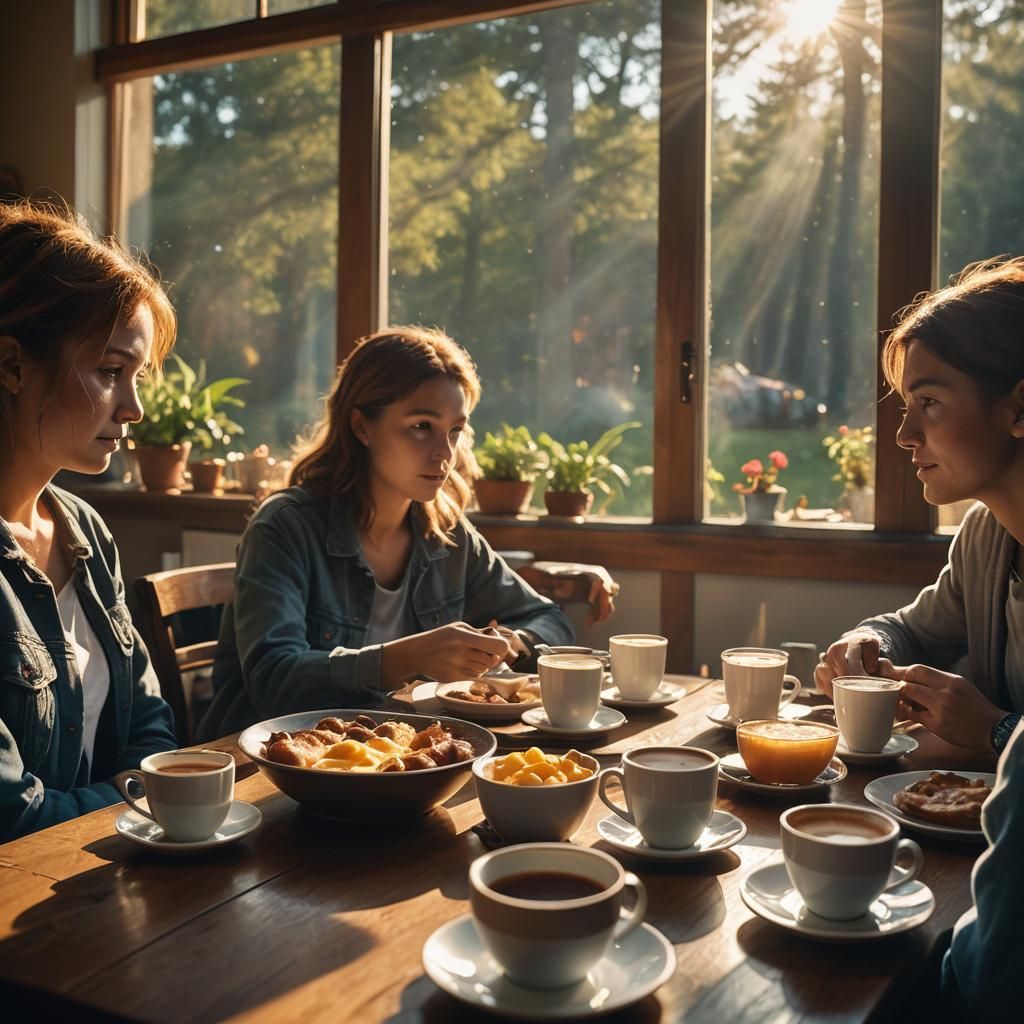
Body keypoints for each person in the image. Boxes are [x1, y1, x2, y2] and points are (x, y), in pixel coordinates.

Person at [197, 326, 574, 740]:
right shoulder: (284, 527)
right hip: (265, 761)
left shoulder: (445, 533)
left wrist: (513, 641)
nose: (445, 453)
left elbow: (550, 619)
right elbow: (274, 680)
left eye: (454, 431)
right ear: (362, 426)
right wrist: (405, 657)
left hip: (392, 755)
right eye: (421, 426)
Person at [0, 200, 178, 840]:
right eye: (110, 371)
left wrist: (146, 789)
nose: (133, 408)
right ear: (13, 365)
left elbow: (151, 724)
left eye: (137, 376)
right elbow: (11, 815)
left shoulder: (86, 532)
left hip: (104, 871)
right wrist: (144, 798)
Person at [816, 257, 1024, 757]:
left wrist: (998, 730)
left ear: (1019, 408)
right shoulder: (987, 536)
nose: (904, 435)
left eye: (928, 402)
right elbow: (912, 630)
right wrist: (868, 643)